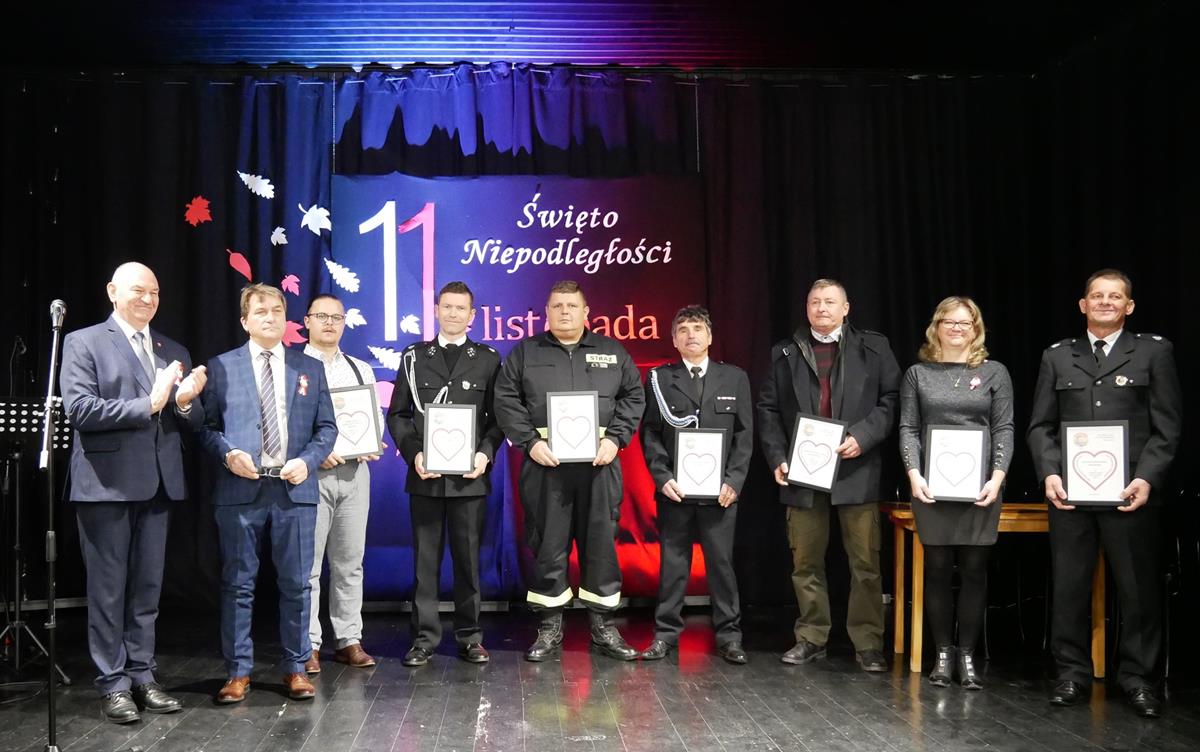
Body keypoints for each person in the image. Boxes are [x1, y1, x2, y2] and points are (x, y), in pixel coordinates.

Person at [1027, 269, 1181, 718]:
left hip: (1130, 493)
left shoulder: (1154, 352)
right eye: (1097, 296)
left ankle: (1139, 680)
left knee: (1138, 590)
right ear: (1083, 304)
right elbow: (1041, 426)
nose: (1105, 302)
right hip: (1070, 496)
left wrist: (1147, 477)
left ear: (1129, 306)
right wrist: (1049, 474)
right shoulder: (1058, 356)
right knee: (1069, 587)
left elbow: (1167, 427)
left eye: (1115, 297)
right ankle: (1071, 674)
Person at [60, 262, 207, 723]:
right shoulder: (83, 342)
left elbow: (192, 422)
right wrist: (151, 402)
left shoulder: (172, 349)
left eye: (155, 292)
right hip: (105, 486)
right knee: (108, 591)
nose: (148, 299)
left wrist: (185, 402)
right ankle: (113, 683)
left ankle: (142, 675)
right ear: (112, 292)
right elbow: (81, 410)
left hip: (159, 484)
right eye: (138, 290)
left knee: (146, 590)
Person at [198, 283, 337, 703]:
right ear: (245, 321)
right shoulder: (221, 367)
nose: (270, 317)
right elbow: (207, 428)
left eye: (277, 310)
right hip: (240, 490)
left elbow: (326, 428)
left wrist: (308, 461)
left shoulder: (309, 367)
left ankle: (296, 667)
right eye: (261, 311)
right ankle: (238, 672)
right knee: (238, 585)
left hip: (295, 489)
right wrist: (228, 455)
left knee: (297, 585)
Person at [493, 280, 645, 662]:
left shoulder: (611, 351)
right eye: (557, 306)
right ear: (547, 312)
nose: (564, 312)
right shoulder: (526, 352)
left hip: (600, 465)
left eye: (571, 306)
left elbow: (634, 396)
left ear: (585, 312)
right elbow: (505, 400)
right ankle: (549, 627)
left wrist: (616, 439)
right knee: (548, 544)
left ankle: (603, 628)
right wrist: (530, 442)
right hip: (546, 466)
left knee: (601, 546)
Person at [757, 278, 900, 672]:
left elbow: (892, 399)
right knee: (805, 562)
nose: (822, 308)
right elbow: (768, 409)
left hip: (856, 467)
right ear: (806, 308)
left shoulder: (874, 347)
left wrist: (864, 436)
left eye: (830, 302)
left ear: (846, 308)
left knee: (865, 563)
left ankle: (868, 643)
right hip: (803, 471)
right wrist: (777, 457)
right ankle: (811, 637)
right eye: (815, 302)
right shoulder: (784, 352)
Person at [898, 296, 1014, 690]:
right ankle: (943, 654)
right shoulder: (918, 373)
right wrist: (914, 474)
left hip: (980, 487)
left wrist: (997, 477)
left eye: (965, 323)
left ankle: (967, 655)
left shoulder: (995, 372)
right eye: (949, 321)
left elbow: (1004, 428)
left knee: (975, 570)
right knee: (936, 568)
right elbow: (908, 428)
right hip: (931, 487)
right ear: (936, 326)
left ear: (976, 329)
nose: (957, 328)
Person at [386, 281, 503, 666]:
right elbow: (398, 414)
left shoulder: (488, 359)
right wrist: (414, 454)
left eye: (460, 308)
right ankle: (423, 639)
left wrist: (485, 454)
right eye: (447, 307)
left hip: (470, 479)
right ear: (436, 310)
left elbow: (499, 419)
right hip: (426, 477)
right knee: (425, 564)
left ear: (472, 316)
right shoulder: (415, 356)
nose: (453, 313)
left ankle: (470, 636)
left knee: (469, 563)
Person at [639, 305, 753, 664]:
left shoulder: (734, 377)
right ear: (674, 340)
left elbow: (745, 435)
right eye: (683, 330)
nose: (691, 335)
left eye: (698, 328)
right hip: (676, 491)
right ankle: (665, 635)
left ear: (710, 336)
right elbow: (650, 433)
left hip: (720, 493)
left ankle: (729, 636)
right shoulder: (660, 379)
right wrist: (662, 478)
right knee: (673, 567)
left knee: (721, 566)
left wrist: (734, 480)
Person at [301, 293, 381, 675]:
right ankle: (308, 644)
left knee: (350, 563)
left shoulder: (360, 369)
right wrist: (315, 452)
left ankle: (349, 639)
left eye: (336, 317)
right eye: (322, 316)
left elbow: (372, 419)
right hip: (310, 476)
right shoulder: (293, 367)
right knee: (308, 567)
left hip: (354, 475)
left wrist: (372, 442)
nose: (330, 323)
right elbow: (285, 424)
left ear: (344, 323)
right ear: (307, 321)